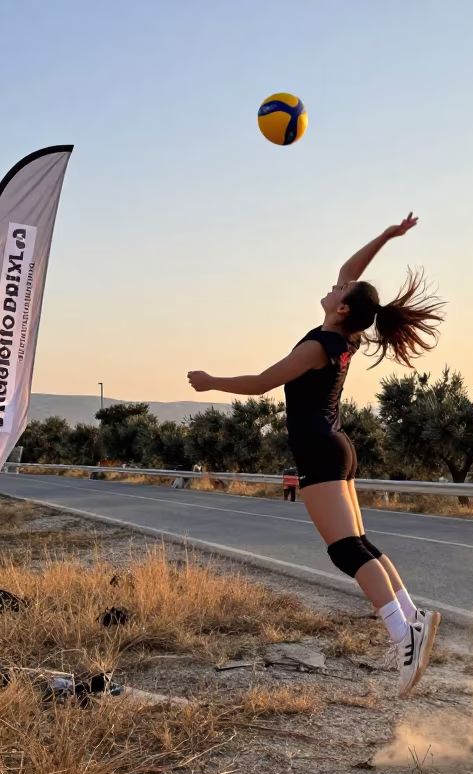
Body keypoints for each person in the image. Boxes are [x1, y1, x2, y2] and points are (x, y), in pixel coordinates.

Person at [188, 213, 445, 696]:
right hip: (336, 447)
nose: (332, 289)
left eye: (338, 292)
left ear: (345, 308)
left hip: (319, 452)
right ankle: (412, 617)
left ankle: (402, 633)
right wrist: (387, 237)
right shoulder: (345, 335)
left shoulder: (320, 345)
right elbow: (351, 267)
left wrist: (211, 382)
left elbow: (264, 382)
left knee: (345, 550)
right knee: (360, 543)